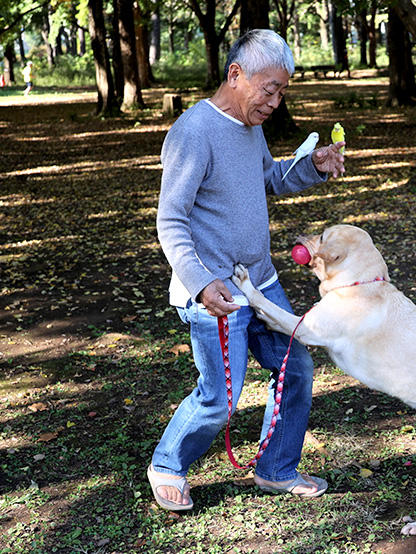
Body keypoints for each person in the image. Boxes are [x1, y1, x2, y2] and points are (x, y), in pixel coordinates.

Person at [148, 29, 345, 511]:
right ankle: (167, 464)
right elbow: (170, 220)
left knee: (295, 366)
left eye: (282, 91)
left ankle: (276, 469)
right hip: (216, 291)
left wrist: (312, 165)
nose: (275, 101)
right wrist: (199, 283)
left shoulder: (249, 125)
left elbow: (268, 179)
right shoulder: (193, 132)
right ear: (236, 75)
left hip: (261, 281)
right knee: (221, 397)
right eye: (270, 89)